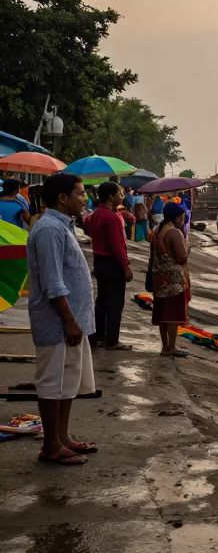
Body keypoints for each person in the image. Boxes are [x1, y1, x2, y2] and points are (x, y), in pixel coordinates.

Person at [26, 173, 97, 466]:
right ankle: (51, 445)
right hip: (57, 323)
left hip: (72, 321)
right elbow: (53, 282)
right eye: (80, 194)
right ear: (62, 198)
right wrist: (68, 319)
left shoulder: (63, 227)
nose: (85, 199)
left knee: (67, 383)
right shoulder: (49, 230)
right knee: (53, 383)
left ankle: (62, 436)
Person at [82, 182, 134, 351]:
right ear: (111, 196)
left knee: (102, 301)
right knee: (115, 303)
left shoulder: (95, 215)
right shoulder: (112, 217)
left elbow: (90, 232)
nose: (122, 195)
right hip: (112, 262)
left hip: (99, 261)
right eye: (119, 192)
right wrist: (126, 267)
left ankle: (100, 337)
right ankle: (112, 340)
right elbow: (117, 246)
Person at [149, 205, 191, 357]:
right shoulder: (174, 233)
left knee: (162, 315)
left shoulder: (156, 233)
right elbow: (181, 257)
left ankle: (165, 346)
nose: (183, 219)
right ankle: (172, 347)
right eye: (182, 216)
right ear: (176, 217)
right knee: (173, 315)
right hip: (173, 278)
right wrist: (187, 250)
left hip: (159, 278)